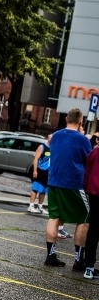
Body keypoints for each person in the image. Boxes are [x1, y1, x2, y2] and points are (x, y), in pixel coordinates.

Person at [43, 108, 92, 269]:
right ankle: (79, 259)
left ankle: (50, 256)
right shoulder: (82, 139)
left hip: (54, 181)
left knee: (54, 216)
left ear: (66, 119)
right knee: (85, 218)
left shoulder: (56, 136)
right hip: (72, 183)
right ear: (81, 121)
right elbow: (89, 160)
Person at [83, 133, 99, 279]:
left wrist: (86, 187)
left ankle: (89, 267)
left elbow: (87, 171)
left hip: (94, 194)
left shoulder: (94, 151)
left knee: (93, 230)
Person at [28, 135, 51, 214]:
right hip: (40, 170)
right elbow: (36, 159)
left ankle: (40, 206)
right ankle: (31, 206)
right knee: (35, 188)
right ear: (48, 138)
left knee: (44, 190)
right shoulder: (42, 146)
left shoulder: (54, 148)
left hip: (47, 172)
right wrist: (35, 170)